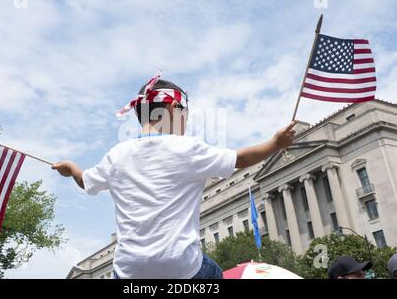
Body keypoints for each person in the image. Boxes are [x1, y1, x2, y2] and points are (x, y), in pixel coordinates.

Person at [52, 76, 296, 279]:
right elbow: (240, 159)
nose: (186, 123)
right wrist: (275, 143)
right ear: (172, 109)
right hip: (180, 267)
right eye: (185, 115)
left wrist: (71, 167)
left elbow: (86, 181)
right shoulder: (187, 148)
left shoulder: (117, 155)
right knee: (214, 274)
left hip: (129, 269)